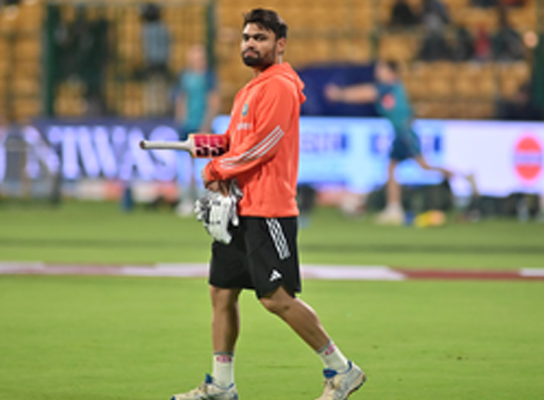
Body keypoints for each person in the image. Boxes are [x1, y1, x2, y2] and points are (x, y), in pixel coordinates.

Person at [171, 8, 366, 400]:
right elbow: (236, 141)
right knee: (221, 291)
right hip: (239, 208)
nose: (250, 44)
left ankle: (342, 370)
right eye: (246, 37)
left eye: (259, 38)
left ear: (280, 45)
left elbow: (265, 144)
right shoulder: (250, 89)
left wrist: (216, 168)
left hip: (269, 208)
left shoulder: (279, 85)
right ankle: (222, 385)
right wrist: (204, 145)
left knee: (275, 298)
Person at [325, 60, 463, 225]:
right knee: (393, 167)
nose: (378, 71)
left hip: (404, 133)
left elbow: (365, 93)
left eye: (382, 68)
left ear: (391, 72)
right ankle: (394, 208)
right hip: (402, 132)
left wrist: (340, 94)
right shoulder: (393, 87)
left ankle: (462, 176)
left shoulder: (389, 87)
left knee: (422, 166)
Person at [173, 44, 220, 216]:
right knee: (187, 163)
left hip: (203, 124)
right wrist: (180, 119)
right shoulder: (184, 76)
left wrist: (206, 125)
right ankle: (187, 198)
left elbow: (213, 101)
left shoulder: (208, 77)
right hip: (188, 125)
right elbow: (180, 99)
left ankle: (206, 198)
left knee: (205, 163)